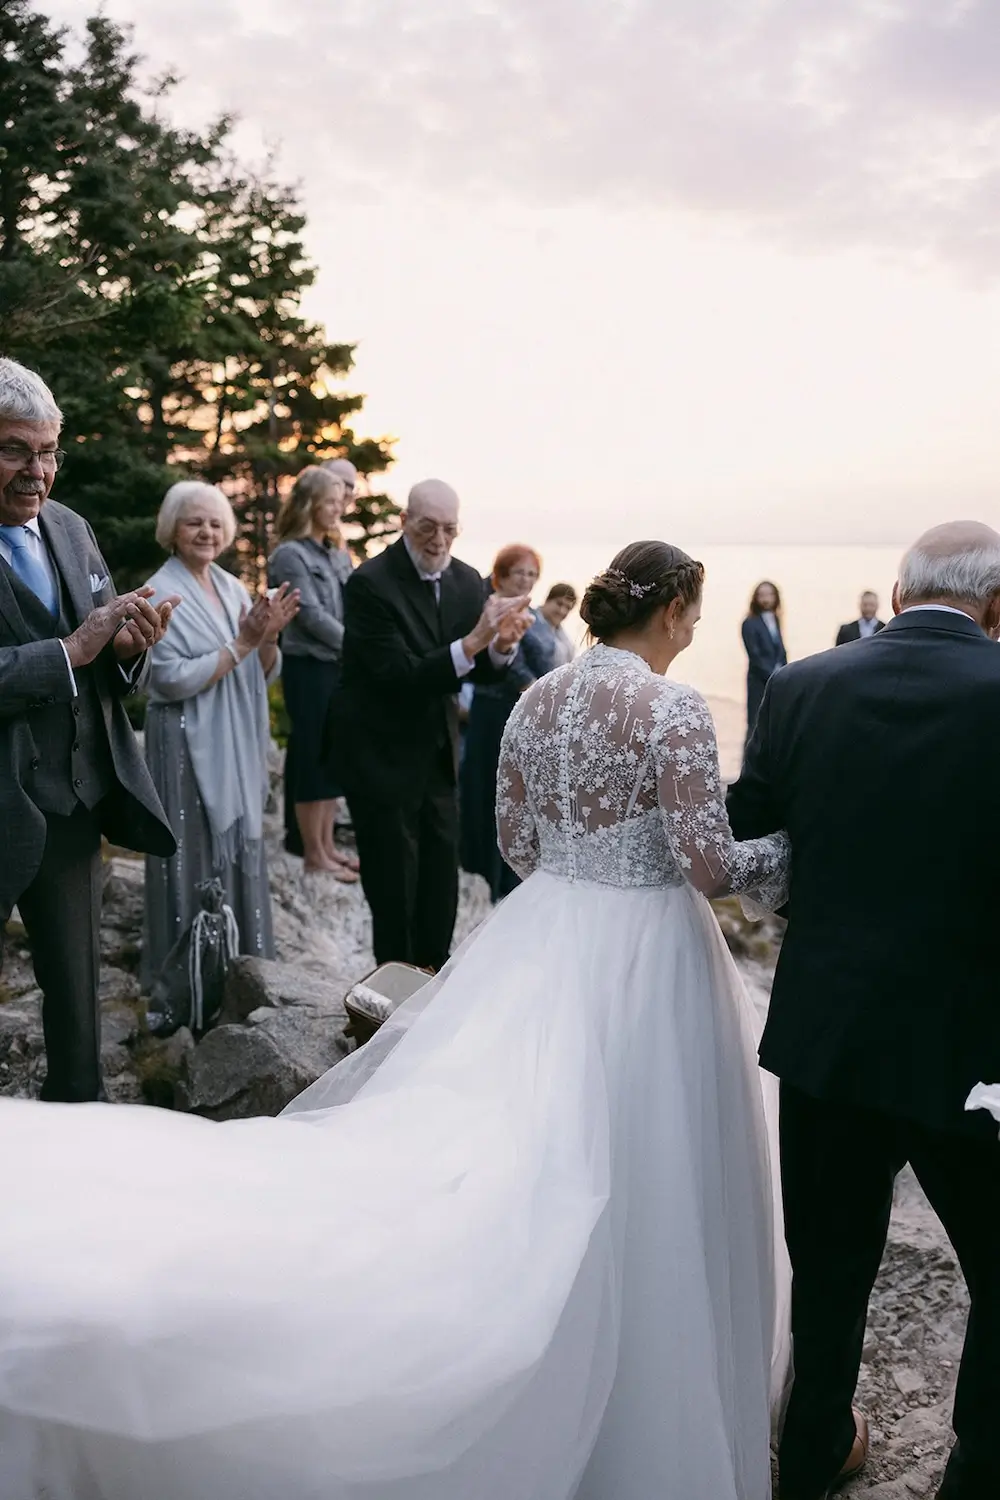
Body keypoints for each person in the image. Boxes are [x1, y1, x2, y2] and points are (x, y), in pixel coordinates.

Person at [0, 538, 792, 1500]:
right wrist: (791, 853)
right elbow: (707, 865)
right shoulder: (671, 706)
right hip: (650, 952)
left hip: (546, 939)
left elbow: (513, 844)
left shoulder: (541, 698)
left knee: (542, 1151)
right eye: (695, 614)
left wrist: (587, 877)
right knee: (646, 1155)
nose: (698, 629)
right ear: (671, 613)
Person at [728, 521, 1000, 1500]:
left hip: (827, 1033)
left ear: (894, 595)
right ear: (997, 608)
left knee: (831, 1268)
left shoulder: (801, 685)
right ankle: (977, 1468)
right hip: (973, 1047)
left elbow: (748, 822)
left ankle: (807, 1458)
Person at [0, 357, 178, 1102]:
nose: (35, 472)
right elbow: (71, 648)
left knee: (78, 1017)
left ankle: (79, 1168)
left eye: (47, 452)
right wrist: (70, 650)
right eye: (14, 449)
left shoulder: (72, 528)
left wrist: (125, 652)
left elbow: (99, 657)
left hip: (71, 806)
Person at [328, 478, 532, 971]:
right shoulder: (370, 584)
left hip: (439, 756)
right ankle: (386, 1003)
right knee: (393, 888)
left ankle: (428, 992)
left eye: (450, 529)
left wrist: (501, 645)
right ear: (404, 522)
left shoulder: (466, 581)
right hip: (379, 755)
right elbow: (397, 675)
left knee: (442, 885)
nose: (438, 540)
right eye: (427, 527)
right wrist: (476, 640)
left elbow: (476, 668)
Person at [141, 482, 299, 985]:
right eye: (194, 522)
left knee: (234, 850)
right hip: (185, 741)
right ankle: (188, 984)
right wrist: (246, 640)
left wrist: (268, 636)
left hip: (233, 739)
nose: (206, 531)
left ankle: (239, 973)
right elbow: (168, 679)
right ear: (172, 529)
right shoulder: (161, 591)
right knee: (192, 851)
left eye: (214, 522)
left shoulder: (233, 587)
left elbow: (261, 671)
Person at [268, 467, 358, 881]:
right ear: (310, 503)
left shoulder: (336, 553)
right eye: (331, 499)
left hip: (337, 666)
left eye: (341, 499)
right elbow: (309, 615)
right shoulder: (290, 555)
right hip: (308, 666)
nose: (338, 507)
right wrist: (356, 647)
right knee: (310, 755)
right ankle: (312, 853)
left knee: (331, 756)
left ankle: (326, 847)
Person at [460, 543, 551, 902]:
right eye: (519, 573)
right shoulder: (492, 607)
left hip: (525, 710)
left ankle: (513, 877)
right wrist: (532, 686)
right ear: (501, 575)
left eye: (532, 574)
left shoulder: (534, 612)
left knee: (521, 796)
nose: (526, 580)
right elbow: (507, 662)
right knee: (492, 792)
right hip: (495, 710)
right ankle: (490, 875)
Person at [741, 580, 787, 742]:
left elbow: (780, 650)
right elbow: (755, 656)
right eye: (761, 595)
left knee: (777, 722)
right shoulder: (749, 623)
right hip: (759, 682)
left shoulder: (776, 619)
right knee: (755, 724)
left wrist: (787, 674)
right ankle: (748, 765)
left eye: (769, 594)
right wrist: (774, 676)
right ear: (755, 598)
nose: (766, 599)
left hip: (778, 680)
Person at [528, 580, 578, 667]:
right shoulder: (529, 620)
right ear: (547, 600)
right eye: (559, 604)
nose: (562, 611)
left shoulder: (563, 637)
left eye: (568, 608)